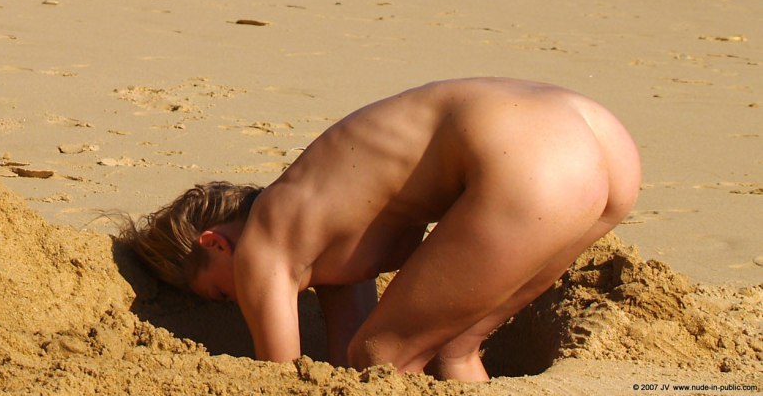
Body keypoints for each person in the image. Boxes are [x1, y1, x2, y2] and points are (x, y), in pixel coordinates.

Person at [119, 77, 641, 382]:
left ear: (214, 243)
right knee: (450, 349)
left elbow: (282, 377)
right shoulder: (323, 223)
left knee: (383, 357)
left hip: (528, 156)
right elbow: (349, 378)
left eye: (217, 292)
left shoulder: (264, 244)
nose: (235, 302)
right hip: (595, 137)